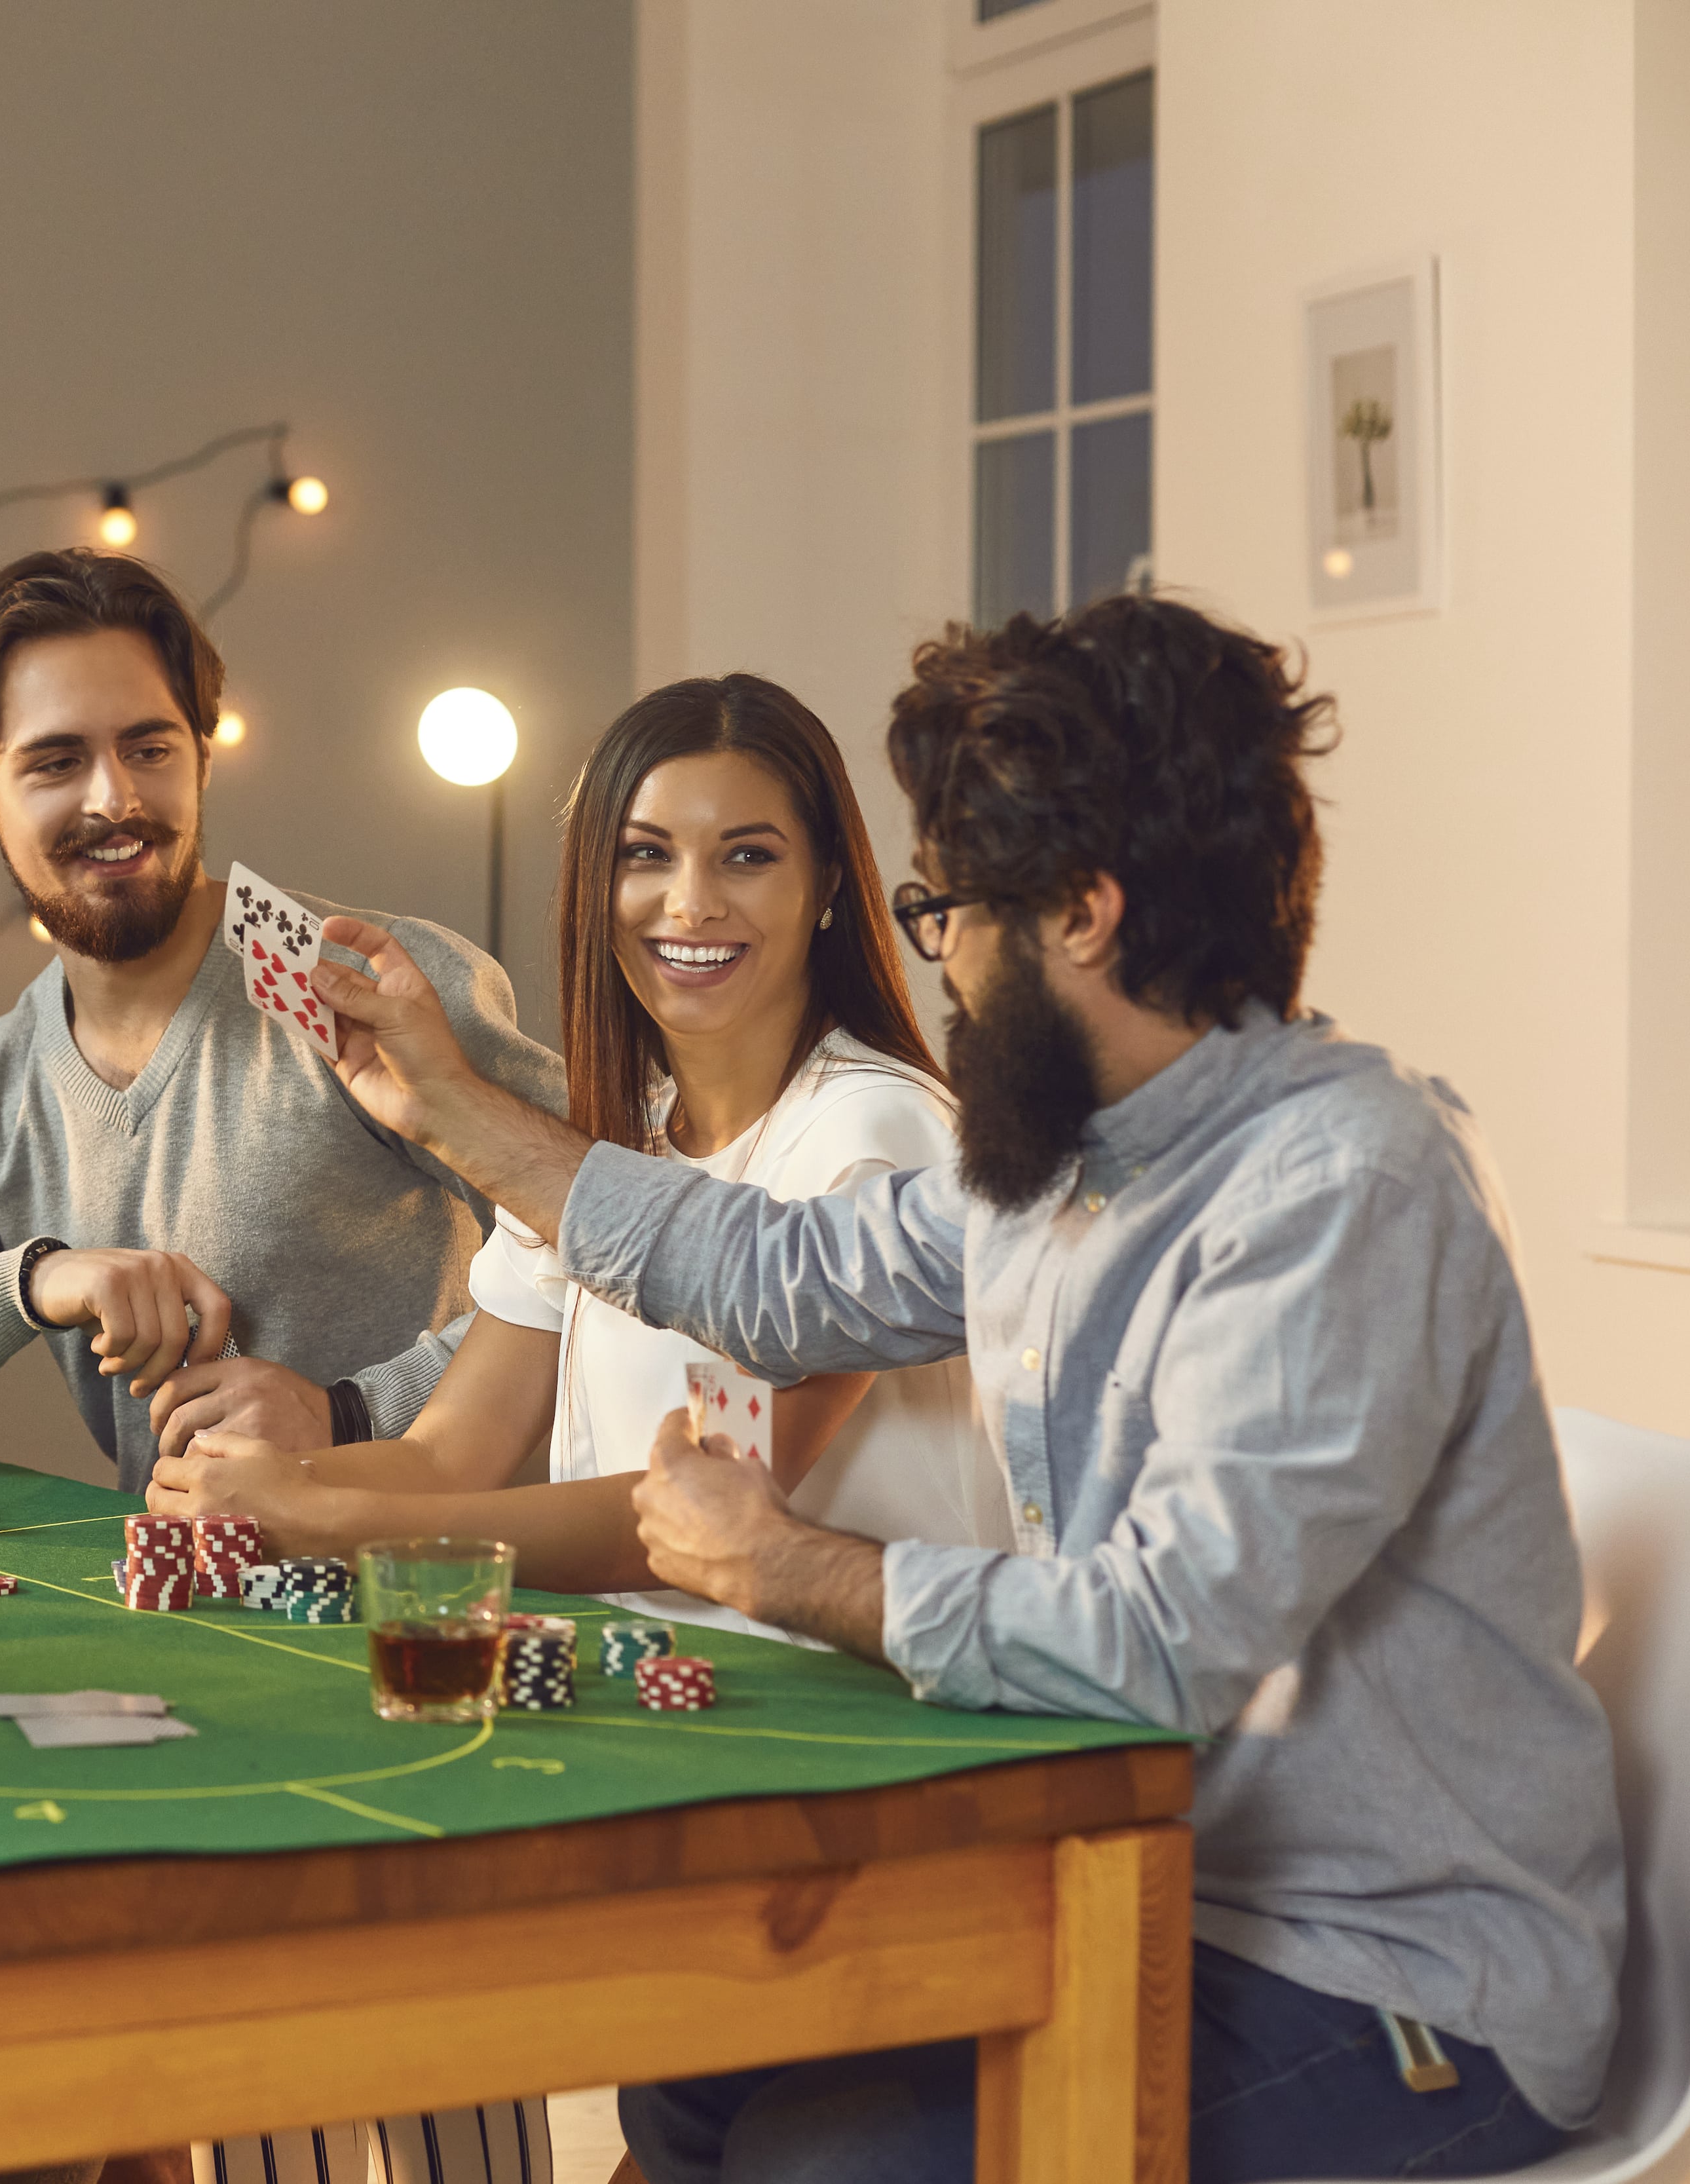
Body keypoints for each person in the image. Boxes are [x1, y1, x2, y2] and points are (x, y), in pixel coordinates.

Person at [301, 594, 1619, 2181]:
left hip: (1393, 1989)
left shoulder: (1341, 1183)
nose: (938, 963)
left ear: (1079, 913)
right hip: (1140, 1889)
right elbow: (777, 1275)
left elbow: (1154, 1648)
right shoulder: (1064, 1152)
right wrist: (451, 1111)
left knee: (821, 2153)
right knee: (693, 2081)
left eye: (947, 913)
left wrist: (781, 1563)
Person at [149, 675, 1008, 1624]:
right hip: (648, 1693)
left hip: (855, 1716)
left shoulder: (869, 1128)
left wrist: (329, 1519)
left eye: (748, 857)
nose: (691, 903)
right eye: (647, 854)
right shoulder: (602, 1149)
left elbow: (707, 1508)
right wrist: (258, 1485)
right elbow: (446, 1454)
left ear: (828, 887)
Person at [0, 548, 567, 1491]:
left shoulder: (369, 980)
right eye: (58, 760)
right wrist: (32, 1281)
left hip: (430, 1599)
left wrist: (353, 1412)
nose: (116, 799)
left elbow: (614, 1249)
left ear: (203, 752)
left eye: (149, 748)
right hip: (177, 1604)